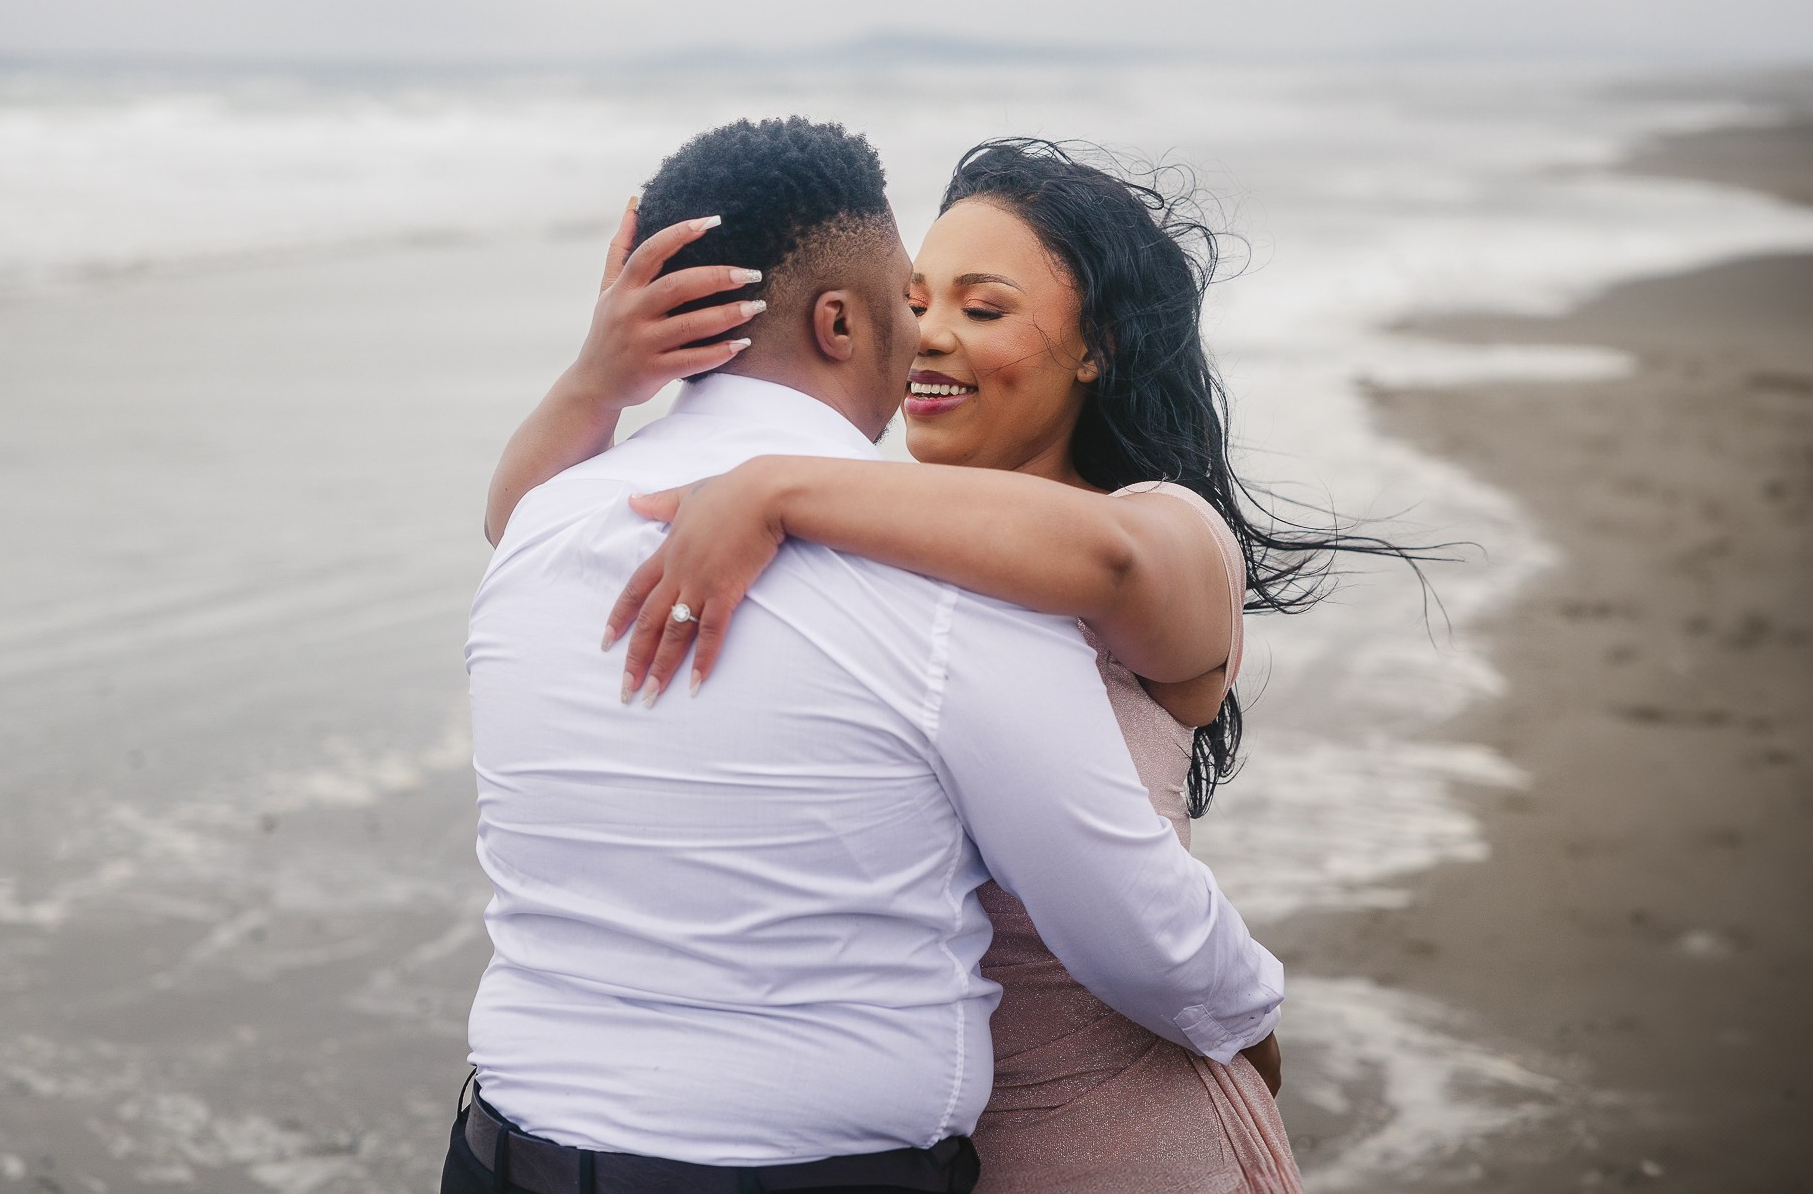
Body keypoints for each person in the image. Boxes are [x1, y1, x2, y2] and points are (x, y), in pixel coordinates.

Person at [453, 118, 1285, 1194]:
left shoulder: (1142, 534)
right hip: (916, 1150)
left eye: (980, 309)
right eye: (918, 298)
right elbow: (530, 530)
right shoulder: (887, 552)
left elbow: (1115, 566)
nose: (928, 333)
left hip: (1104, 1133)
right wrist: (596, 385)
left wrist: (777, 483)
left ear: (1096, 347)